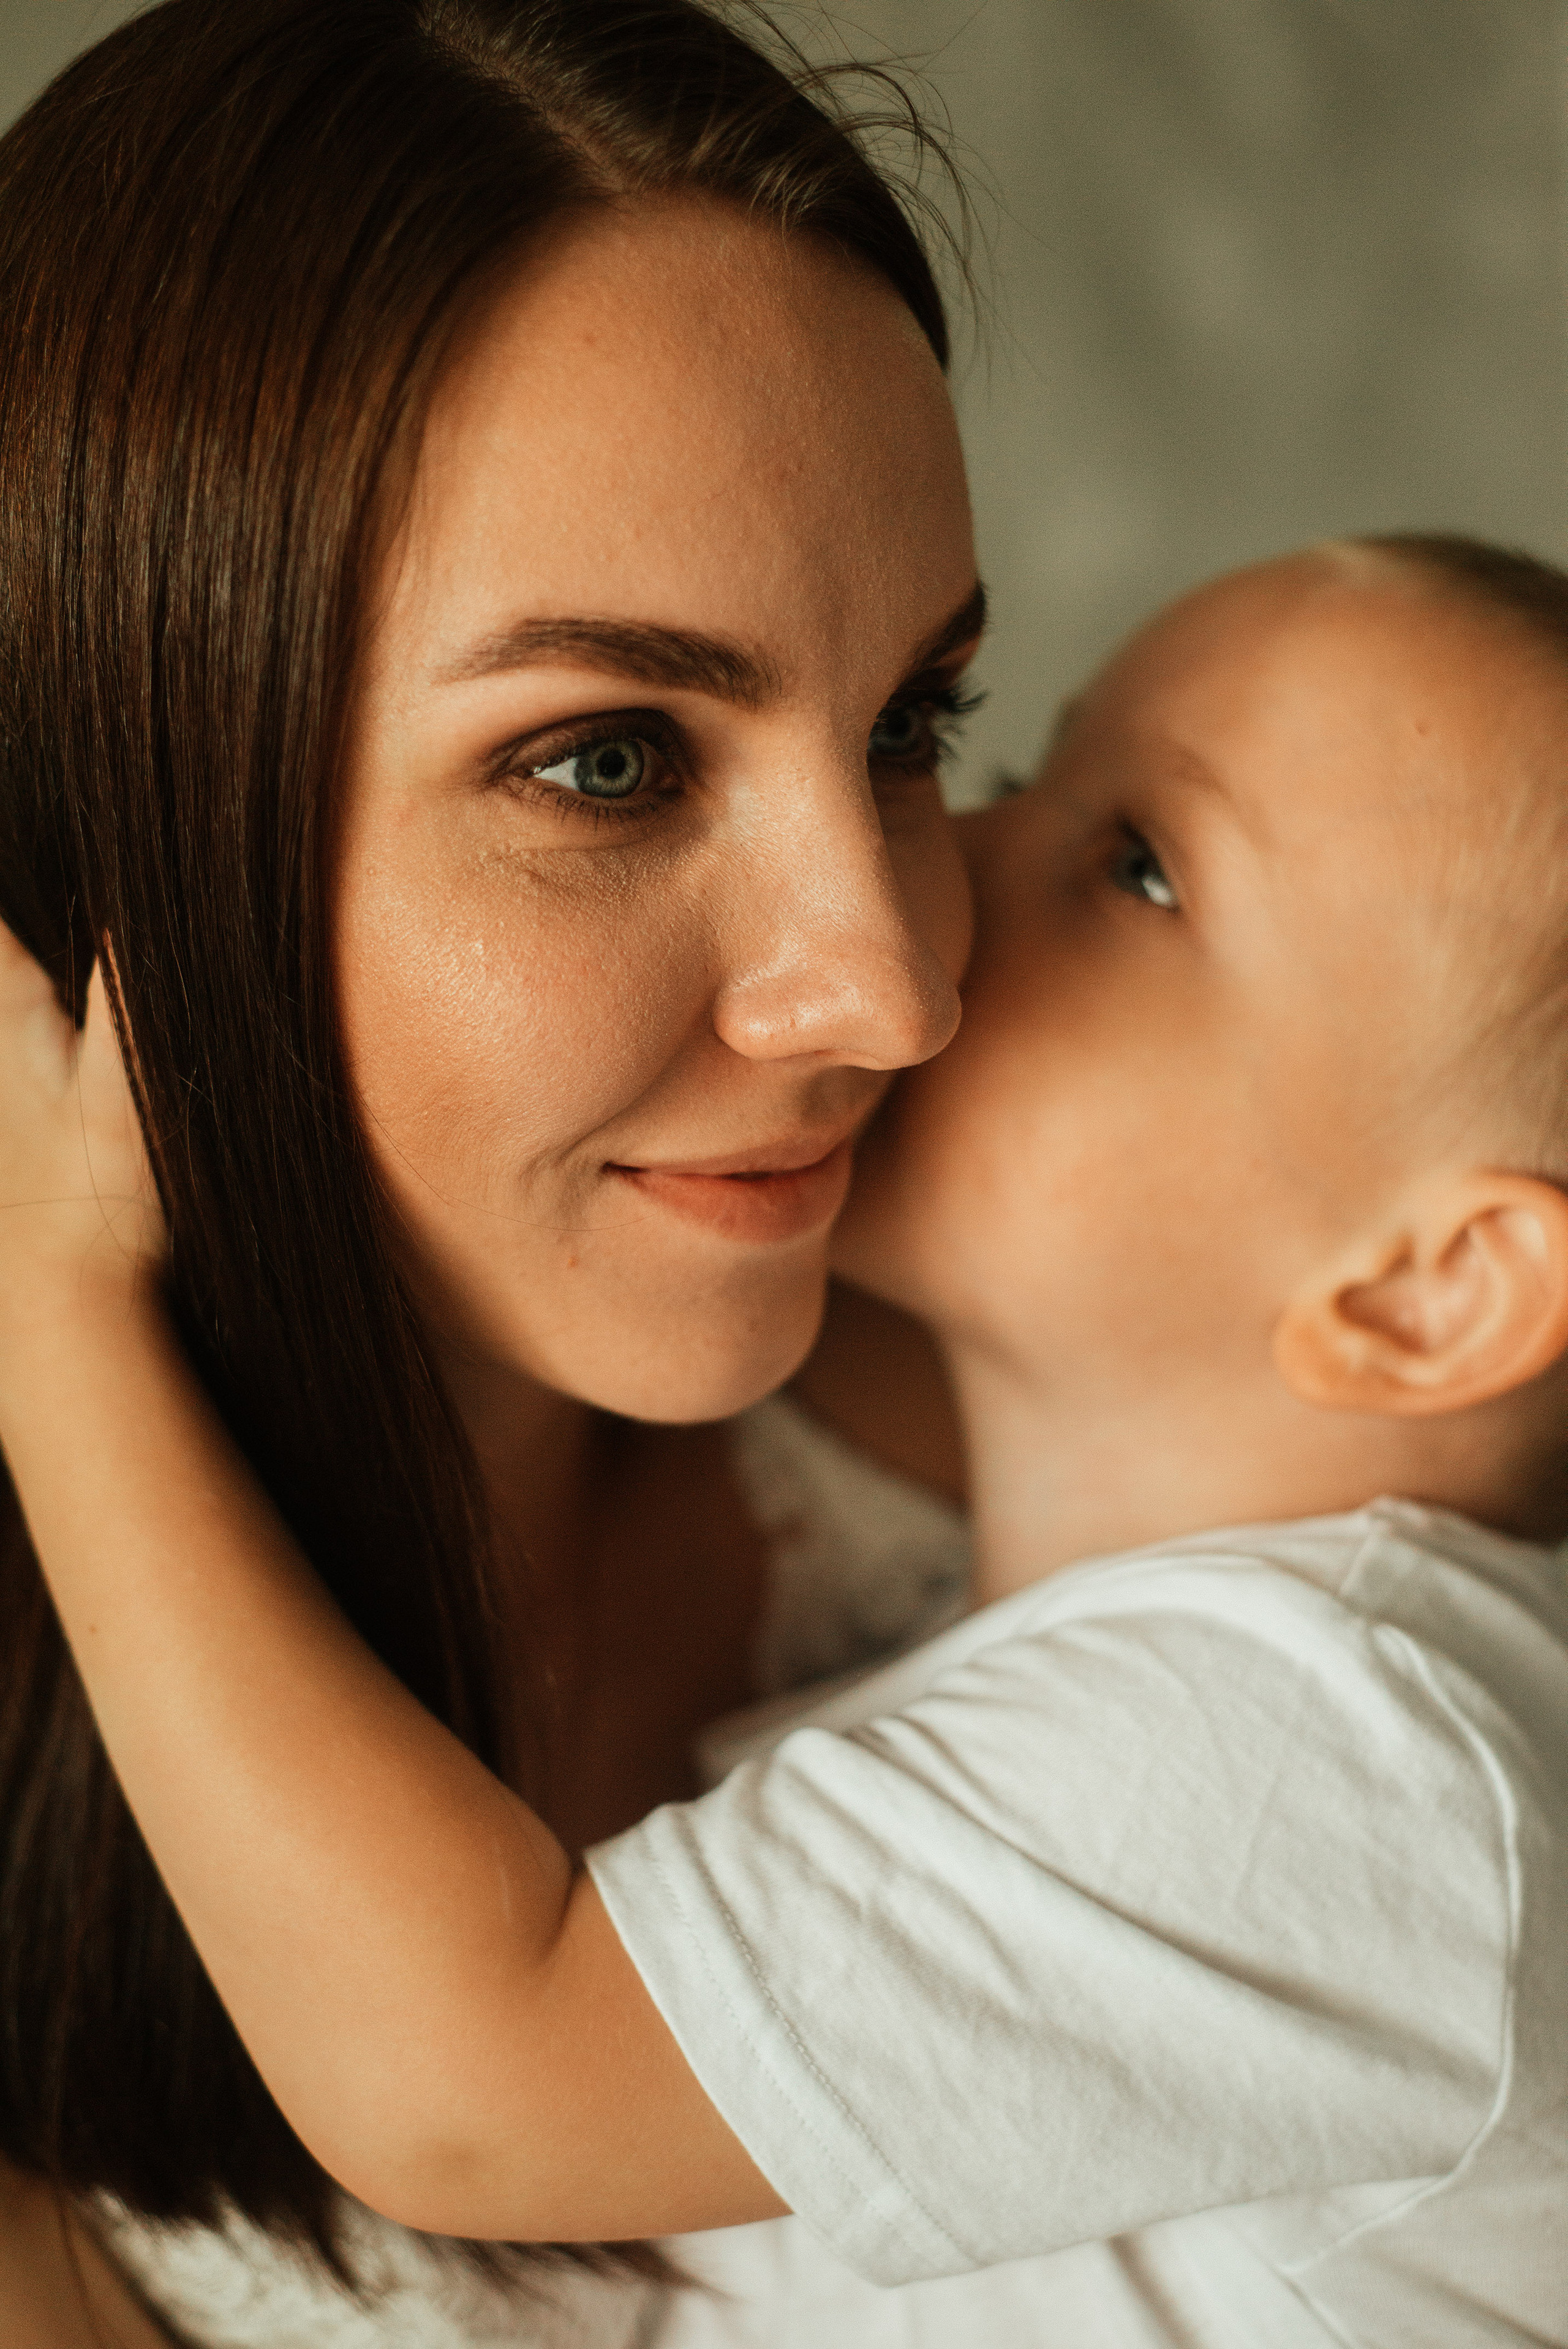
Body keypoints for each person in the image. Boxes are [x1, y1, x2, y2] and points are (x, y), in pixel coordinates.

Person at [7, 529, 1568, 2349]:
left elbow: (468, 2084)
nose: (926, 901)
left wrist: (56, 1310)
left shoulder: (1343, 1749)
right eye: (992, 762)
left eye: (1136, 870)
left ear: (1430, 1293)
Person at [0, 0, 982, 2340]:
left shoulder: (1126, 1427)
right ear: (139, 803)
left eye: (913, 723)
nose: (889, 988)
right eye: (615, 762)